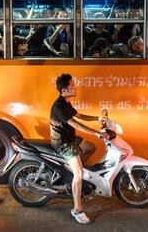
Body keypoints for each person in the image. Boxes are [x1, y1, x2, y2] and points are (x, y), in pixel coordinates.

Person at [50, 74, 108, 225]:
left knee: (91, 147)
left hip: (71, 139)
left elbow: (80, 116)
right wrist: (96, 133)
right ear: (64, 90)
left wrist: (97, 119)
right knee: (79, 173)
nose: (75, 87)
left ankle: (72, 171)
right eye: (72, 86)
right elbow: (75, 124)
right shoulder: (58, 106)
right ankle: (77, 209)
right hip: (63, 143)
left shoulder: (67, 102)